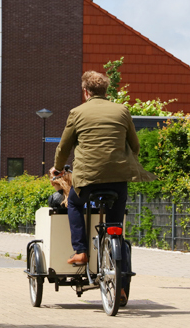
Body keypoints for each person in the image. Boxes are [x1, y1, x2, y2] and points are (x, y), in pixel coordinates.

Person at [50, 70, 150, 265]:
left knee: (74, 204)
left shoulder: (77, 113)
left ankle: (80, 251)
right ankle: (120, 282)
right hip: (118, 178)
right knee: (116, 224)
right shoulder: (122, 111)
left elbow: (64, 147)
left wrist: (58, 168)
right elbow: (135, 146)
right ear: (106, 91)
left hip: (87, 179)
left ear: (86, 92)